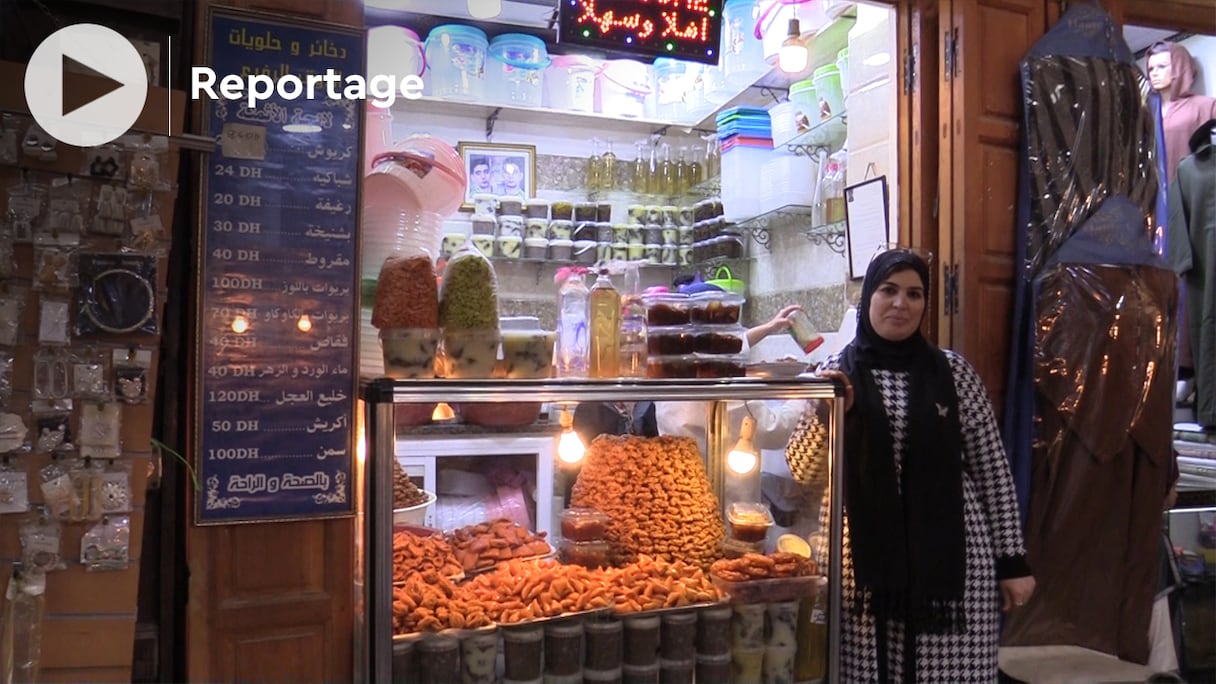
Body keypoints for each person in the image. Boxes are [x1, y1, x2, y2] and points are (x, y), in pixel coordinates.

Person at [784, 249, 1034, 682]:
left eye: (914, 294)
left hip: (951, 564)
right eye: (889, 290)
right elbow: (801, 470)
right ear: (868, 298)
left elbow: (993, 471)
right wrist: (831, 415)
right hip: (859, 565)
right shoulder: (832, 374)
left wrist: (1012, 563)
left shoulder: (954, 373)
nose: (901, 303)